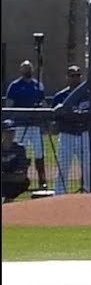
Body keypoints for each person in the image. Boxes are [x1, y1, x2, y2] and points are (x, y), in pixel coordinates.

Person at [4, 59, 47, 189]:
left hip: (35, 125)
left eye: (29, 67)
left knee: (39, 153)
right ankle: (20, 180)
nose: (27, 70)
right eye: (25, 67)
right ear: (21, 70)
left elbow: (43, 103)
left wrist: (44, 113)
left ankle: (42, 181)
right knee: (20, 152)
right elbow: (9, 105)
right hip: (20, 125)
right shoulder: (15, 85)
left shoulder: (38, 85)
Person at [50, 65, 90, 195]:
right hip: (66, 135)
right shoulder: (60, 96)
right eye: (73, 76)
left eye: (78, 76)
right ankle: (59, 194)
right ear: (67, 78)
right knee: (63, 167)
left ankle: (89, 192)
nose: (75, 78)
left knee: (88, 167)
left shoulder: (88, 95)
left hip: (84, 134)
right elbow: (54, 118)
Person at [2, 119, 31, 202]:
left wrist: (5, 176)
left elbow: (21, 176)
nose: (10, 135)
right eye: (7, 132)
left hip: (13, 183)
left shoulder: (19, 149)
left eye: (12, 132)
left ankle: (8, 201)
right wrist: (12, 176)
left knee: (24, 182)